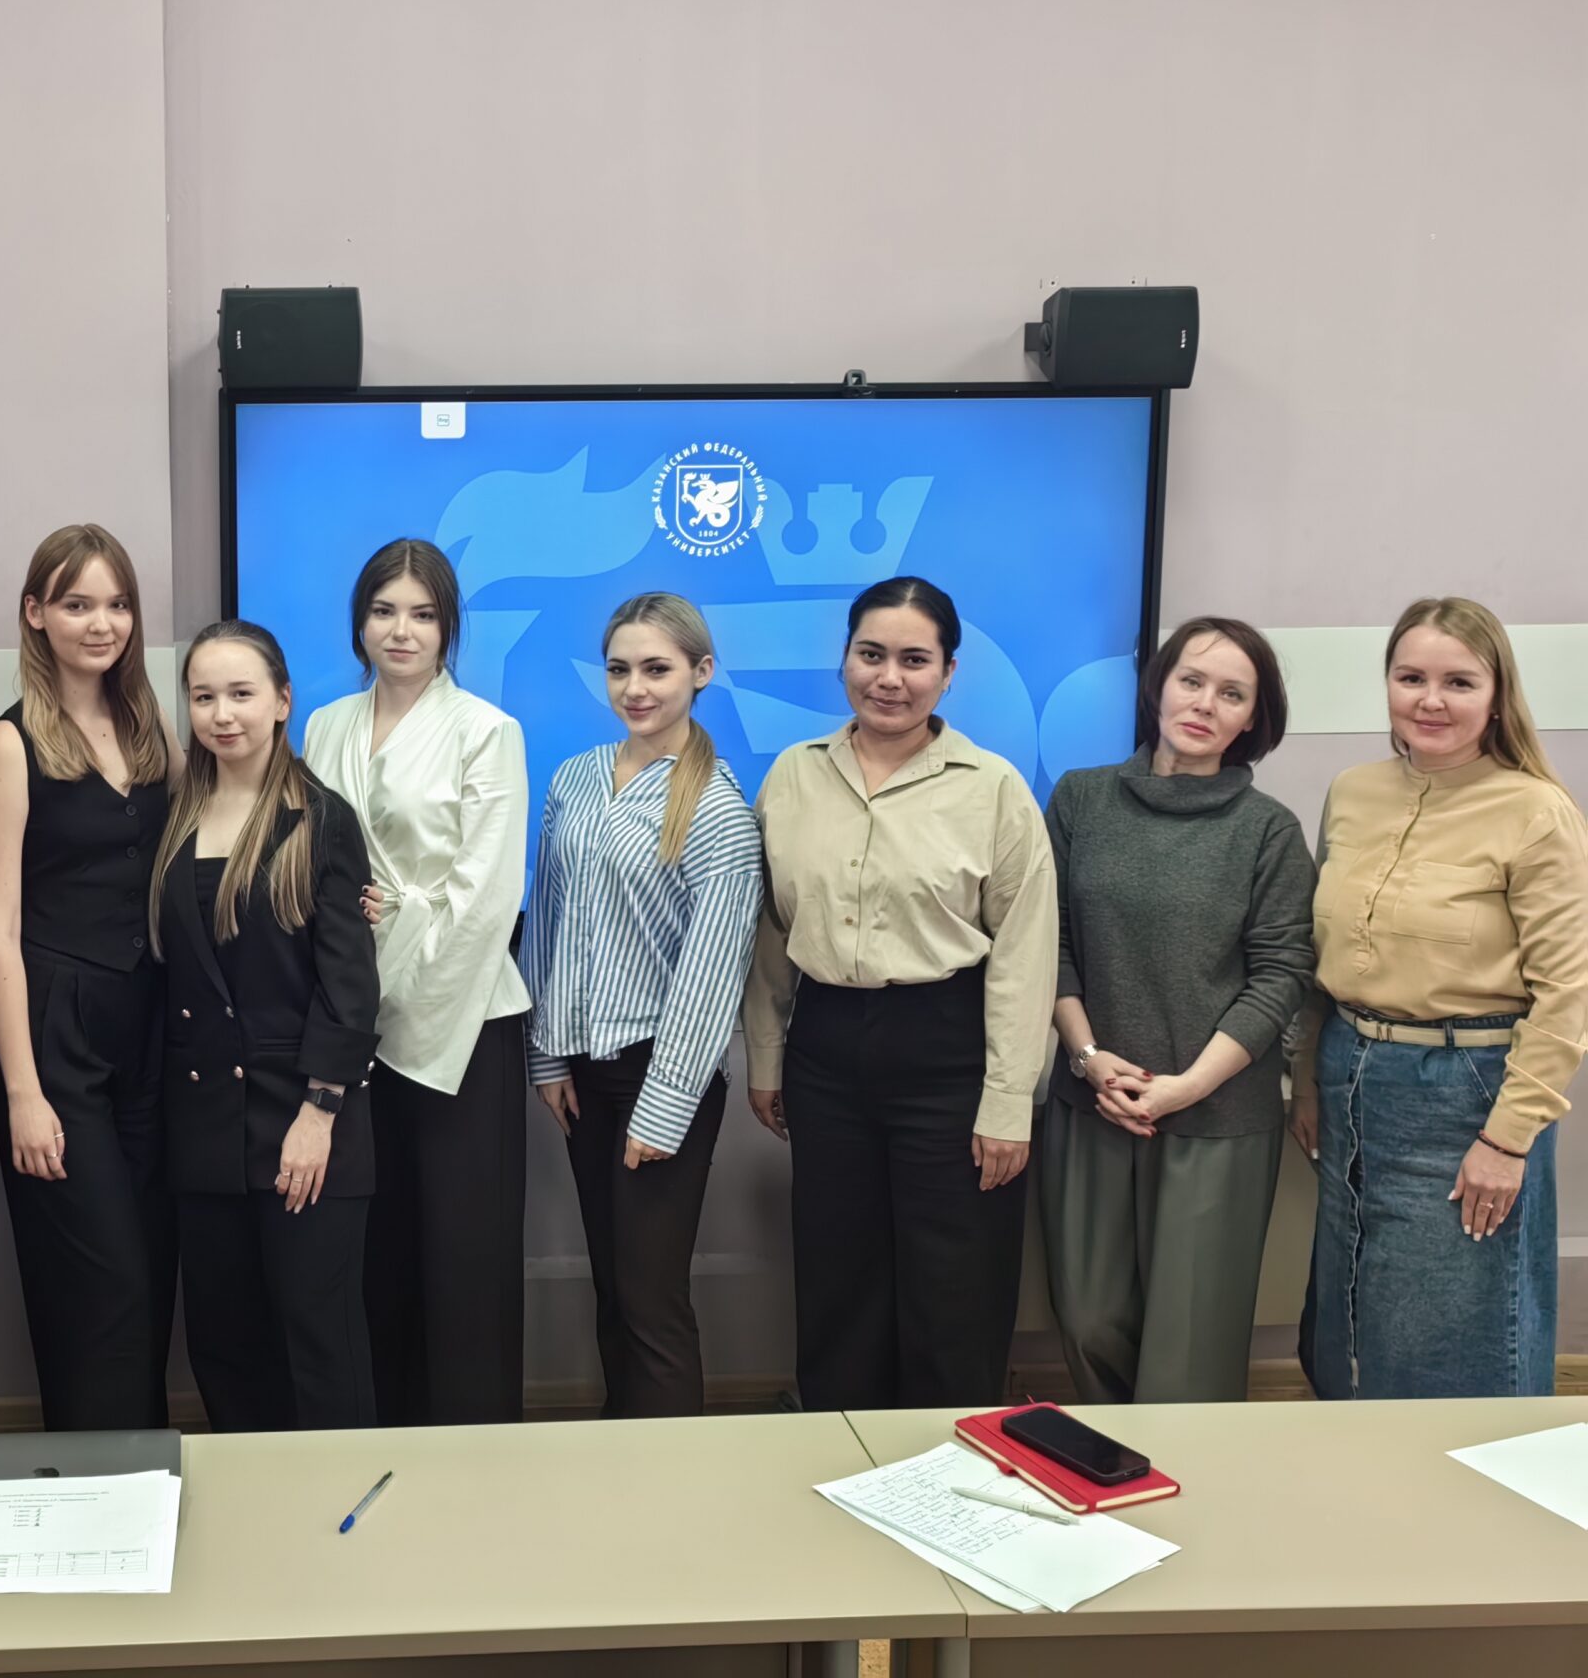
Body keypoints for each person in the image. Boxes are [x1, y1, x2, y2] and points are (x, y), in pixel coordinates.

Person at [741, 576, 1055, 1412]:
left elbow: (1026, 953)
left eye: (915, 660)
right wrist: (766, 1057)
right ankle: (845, 1445)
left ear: (948, 672)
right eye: (871, 655)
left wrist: (1008, 1100)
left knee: (954, 1287)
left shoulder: (993, 788)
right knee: (837, 1276)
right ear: (844, 660)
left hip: (947, 1050)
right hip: (825, 1049)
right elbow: (770, 929)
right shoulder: (794, 775)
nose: (890, 678)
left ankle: (949, 1463)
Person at [1293, 597, 1588, 1399]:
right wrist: (1309, 1077)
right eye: (1410, 677)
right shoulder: (1352, 791)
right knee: (1351, 1316)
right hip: (1350, 1073)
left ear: (1497, 696)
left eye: (1458, 682)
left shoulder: (1536, 811)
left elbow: (1568, 993)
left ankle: (1461, 1470)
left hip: (1468, 1094)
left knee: (1458, 1328)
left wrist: (1509, 1140)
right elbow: (1322, 954)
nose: (1430, 700)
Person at [1039, 617, 1317, 1404]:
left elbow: (1281, 976)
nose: (1204, 704)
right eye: (1192, 680)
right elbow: (1049, 941)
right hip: (1094, 1102)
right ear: (1158, 685)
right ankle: (1110, 1470)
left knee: (1186, 1352)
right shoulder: (1081, 798)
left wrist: (1186, 1087)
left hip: (1216, 1116)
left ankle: (1184, 1478)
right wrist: (1089, 1059)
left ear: (1253, 719)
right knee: (1088, 1323)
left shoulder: (1267, 831)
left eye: (1232, 694)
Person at [302, 538, 530, 1427]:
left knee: (463, 1258)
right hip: (352, 1024)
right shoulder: (324, 725)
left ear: (448, 628)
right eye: (384, 611)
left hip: (460, 1024)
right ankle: (385, 1434)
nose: (401, 630)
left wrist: (399, 985)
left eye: (423, 614)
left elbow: (486, 896)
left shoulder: (486, 731)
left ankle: (475, 1456)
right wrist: (350, 1010)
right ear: (360, 622)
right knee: (377, 1251)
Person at [521, 593, 760, 1418]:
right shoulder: (575, 778)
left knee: (653, 1302)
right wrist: (546, 1055)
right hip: (583, 1075)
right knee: (614, 1290)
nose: (635, 688)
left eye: (657, 669)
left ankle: (672, 1477)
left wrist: (662, 1110)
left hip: (661, 1080)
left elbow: (711, 976)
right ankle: (619, 1456)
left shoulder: (718, 807)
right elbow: (547, 919)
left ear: (701, 672)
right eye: (620, 669)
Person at [0, 524, 179, 1430]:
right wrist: (22, 1091)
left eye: (117, 604)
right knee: (101, 1281)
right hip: (54, 1031)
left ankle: (144, 1472)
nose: (102, 624)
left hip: (150, 1023)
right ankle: (97, 1476)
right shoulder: (9, 744)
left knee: (152, 1269)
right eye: (77, 604)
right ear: (35, 614)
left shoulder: (148, 726)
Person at [154, 621, 382, 1431]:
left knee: (318, 1343)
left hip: (303, 1120)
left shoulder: (323, 819)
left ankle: (341, 1496)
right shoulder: (176, 816)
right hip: (205, 1125)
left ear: (283, 701)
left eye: (242, 694)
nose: (222, 714)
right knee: (225, 1348)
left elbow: (350, 987)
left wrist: (319, 1114)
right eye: (204, 696)